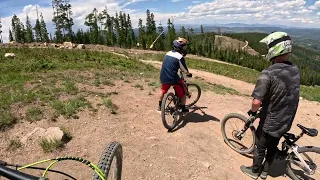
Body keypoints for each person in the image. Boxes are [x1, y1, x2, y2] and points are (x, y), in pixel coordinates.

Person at [240, 31, 300, 179]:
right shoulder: (294, 69)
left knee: (260, 147)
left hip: (271, 120)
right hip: (287, 119)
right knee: (272, 147)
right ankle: (265, 172)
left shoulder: (268, 73)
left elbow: (256, 102)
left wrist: (253, 112)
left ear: (274, 49)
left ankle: (254, 172)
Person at [158, 37, 192, 112]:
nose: (184, 48)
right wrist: (188, 74)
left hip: (163, 76)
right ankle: (183, 109)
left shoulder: (168, 53)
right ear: (181, 48)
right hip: (173, 78)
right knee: (183, 93)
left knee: (163, 90)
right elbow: (184, 70)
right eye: (184, 47)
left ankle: (160, 107)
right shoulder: (180, 57)